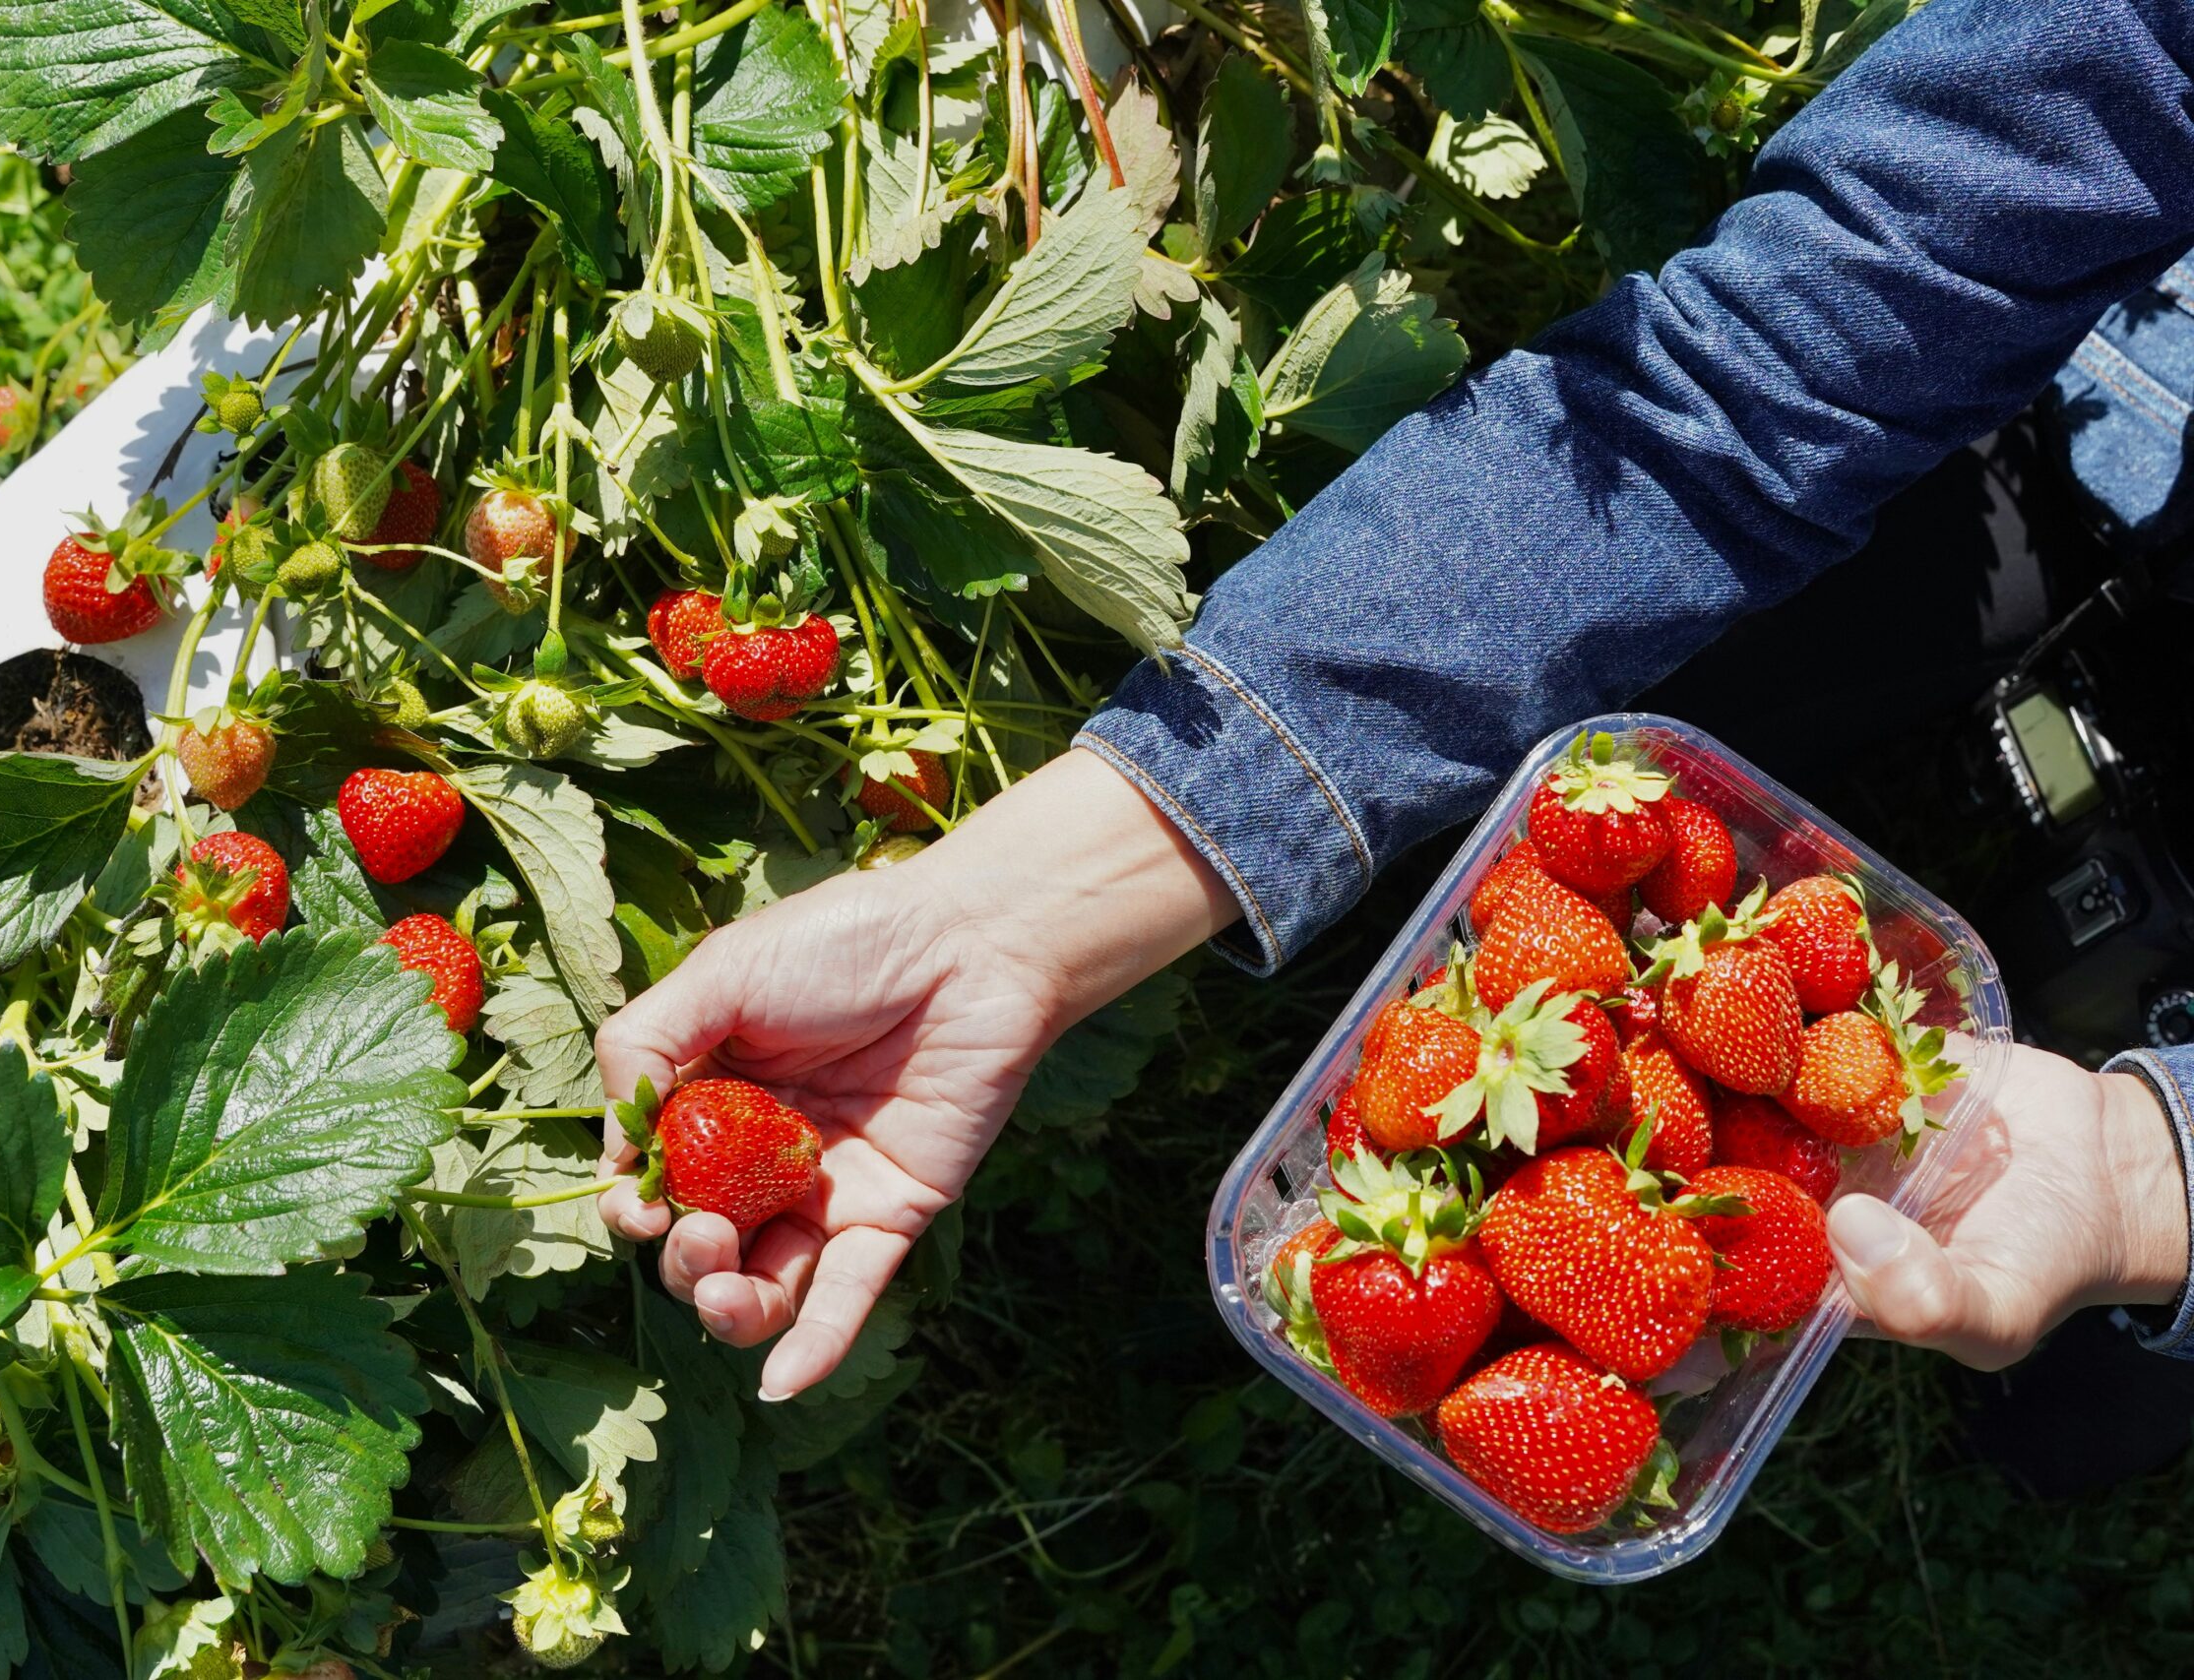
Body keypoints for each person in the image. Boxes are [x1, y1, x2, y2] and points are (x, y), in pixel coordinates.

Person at [596, 0, 2194, 1400]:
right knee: (1608, 805)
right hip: (2098, 401)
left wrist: (2152, 1167)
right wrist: (1029, 904)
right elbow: (1760, 370)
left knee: (2070, 1420)